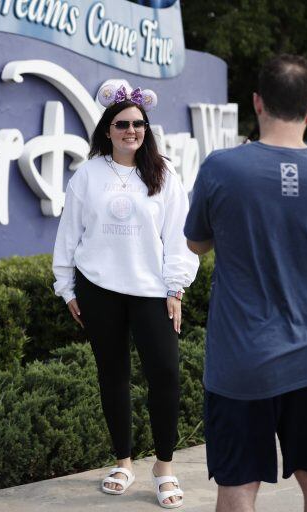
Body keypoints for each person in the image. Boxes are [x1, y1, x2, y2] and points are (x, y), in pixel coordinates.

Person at [184, 54, 307, 512]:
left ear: (257, 102)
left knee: (237, 487)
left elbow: (196, 245)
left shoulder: (220, 168)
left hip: (241, 363)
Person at [52, 82, 199, 509]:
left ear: (146, 128)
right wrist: (66, 287)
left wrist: (176, 289)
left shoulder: (164, 174)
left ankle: (164, 467)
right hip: (99, 291)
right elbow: (68, 235)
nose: (131, 130)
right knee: (113, 376)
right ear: (108, 129)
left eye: (138, 124)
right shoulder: (88, 175)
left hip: (153, 292)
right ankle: (123, 461)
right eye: (122, 124)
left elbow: (179, 238)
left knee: (166, 375)